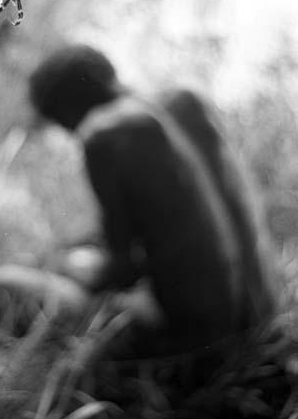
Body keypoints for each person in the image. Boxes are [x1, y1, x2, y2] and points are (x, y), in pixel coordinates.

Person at [28, 44, 275, 355]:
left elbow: (124, 269)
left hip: (203, 339)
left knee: (5, 281)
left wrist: (72, 265)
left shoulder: (104, 136)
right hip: (261, 317)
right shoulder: (185, 100)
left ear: (66, 112)